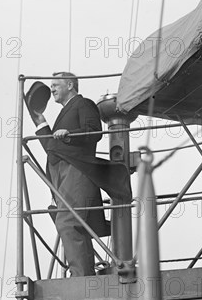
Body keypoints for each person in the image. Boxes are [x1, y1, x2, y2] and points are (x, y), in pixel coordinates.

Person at [27, 72, 131, 277]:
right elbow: (51, 147)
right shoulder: (64, 113)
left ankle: (80, 277)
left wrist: (68, 136)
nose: (52, 89)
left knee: (68, 222)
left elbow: (94, 132)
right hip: (61, 173)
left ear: (70, 85)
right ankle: (82, 275)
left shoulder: (84, 104)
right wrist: (40, 120)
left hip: (77, 169)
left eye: (56, 85)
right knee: (73, 223)